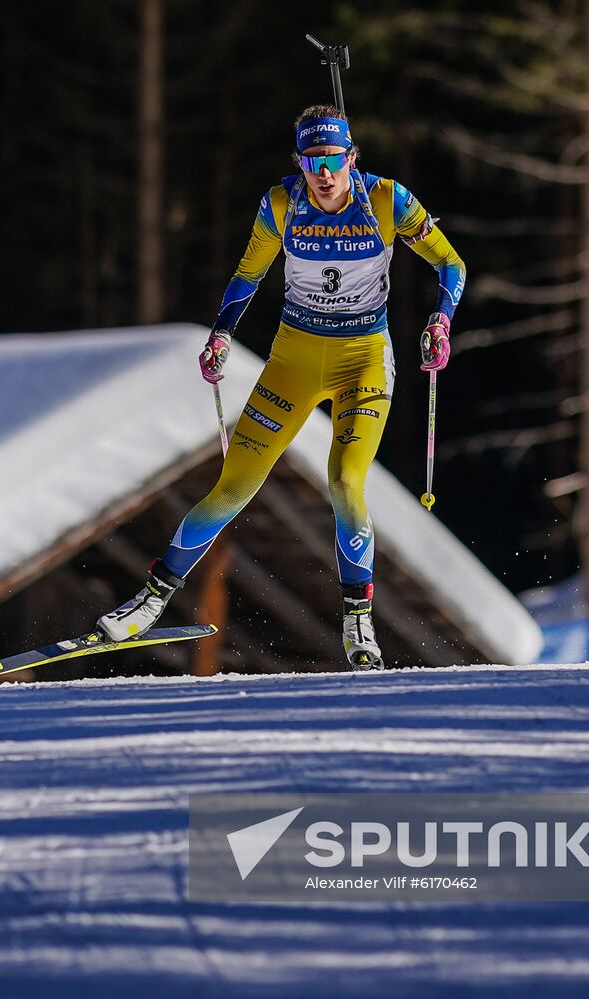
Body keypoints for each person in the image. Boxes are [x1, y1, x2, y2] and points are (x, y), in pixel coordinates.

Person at [97, 104, 465, 669]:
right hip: (292, 361)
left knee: (346, 482)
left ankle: (358, 621)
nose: (324, 173)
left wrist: (440, 320)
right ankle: (148, 604)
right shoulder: (280, 204)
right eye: (313, 161)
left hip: (363, 361)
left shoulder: (388, 200)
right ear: (300, 162)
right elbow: (249, 273)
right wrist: (221, 334)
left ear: (351, 157)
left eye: (334, 160)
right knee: (232, 488)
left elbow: (452, 265)